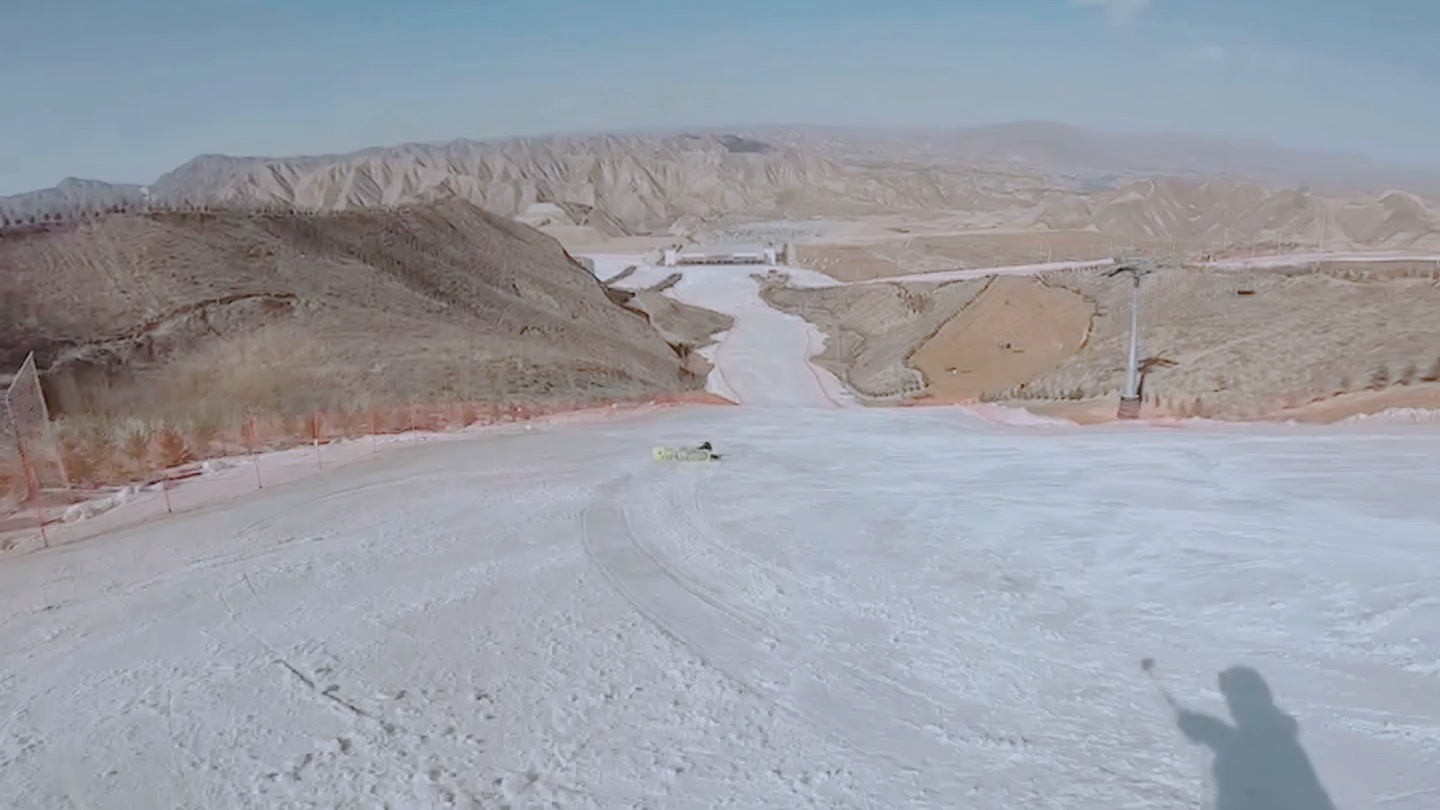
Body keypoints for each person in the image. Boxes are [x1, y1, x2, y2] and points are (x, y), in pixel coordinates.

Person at [1176, 666, 1337, 810]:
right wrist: (1209, 729)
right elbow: (1248, 747)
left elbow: (1245, 753)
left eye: (1234, 698)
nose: (1232, 705)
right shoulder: (1285, 745)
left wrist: (1207, 729)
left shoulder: (1244, 751)